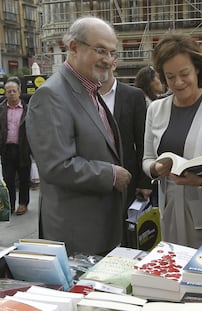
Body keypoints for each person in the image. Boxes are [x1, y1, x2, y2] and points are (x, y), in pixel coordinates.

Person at [25, 16, 132, 256]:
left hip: (100, 226)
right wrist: (111, 174)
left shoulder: (90, 90)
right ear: (73, 47)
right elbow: (56, 166)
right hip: (76, 233)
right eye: (101, 50)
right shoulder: (51, 96)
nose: (108, 60)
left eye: (112, 53)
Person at [142, 32, 202, 249]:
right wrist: (156, 168)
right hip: (171, 211)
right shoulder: (156, 109)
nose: (178, 82)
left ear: (197, 68)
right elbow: (147, 159)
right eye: (169, 76)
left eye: (184, 73)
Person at [100, 60, 152, 248]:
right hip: (98, 177)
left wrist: (145, 182)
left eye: (106, 63)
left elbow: (143, 140)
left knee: (127, 236)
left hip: (128, 180)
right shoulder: (84, 97)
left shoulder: (133, 95)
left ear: (113, 65)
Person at [0, 79, 31, 216]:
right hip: (6, 149)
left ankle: (23, 204)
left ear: (19, 92)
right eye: (9, 91)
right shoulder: (1, 109)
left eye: (14, 91)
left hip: (23, 148)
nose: (11, 94)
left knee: (24, 178)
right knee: (8, 179)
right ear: (5, 93)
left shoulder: (28, 109)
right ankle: (10, 205)